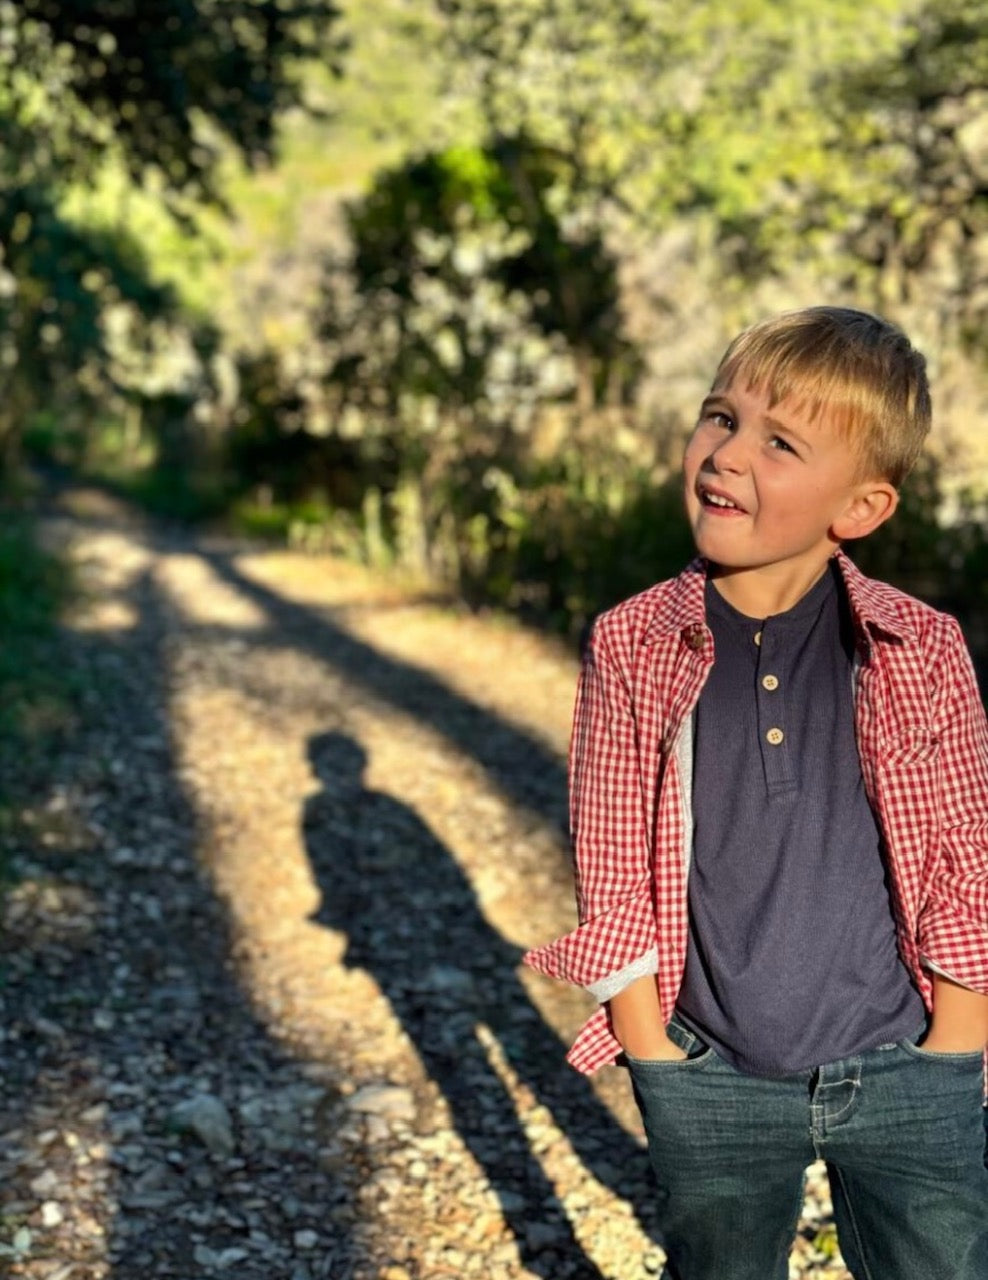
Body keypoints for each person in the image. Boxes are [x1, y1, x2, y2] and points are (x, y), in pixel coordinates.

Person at [524, 306, 988, 1280]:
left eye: (779, 442)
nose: (726, 454)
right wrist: (652, 1052)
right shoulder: (632, 641)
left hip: (905, 1055)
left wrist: (954, 1043)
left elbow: (963, 859)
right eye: (718, 416)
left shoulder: (921, 646)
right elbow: (610, 866)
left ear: (857, 508)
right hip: (710, 1069)